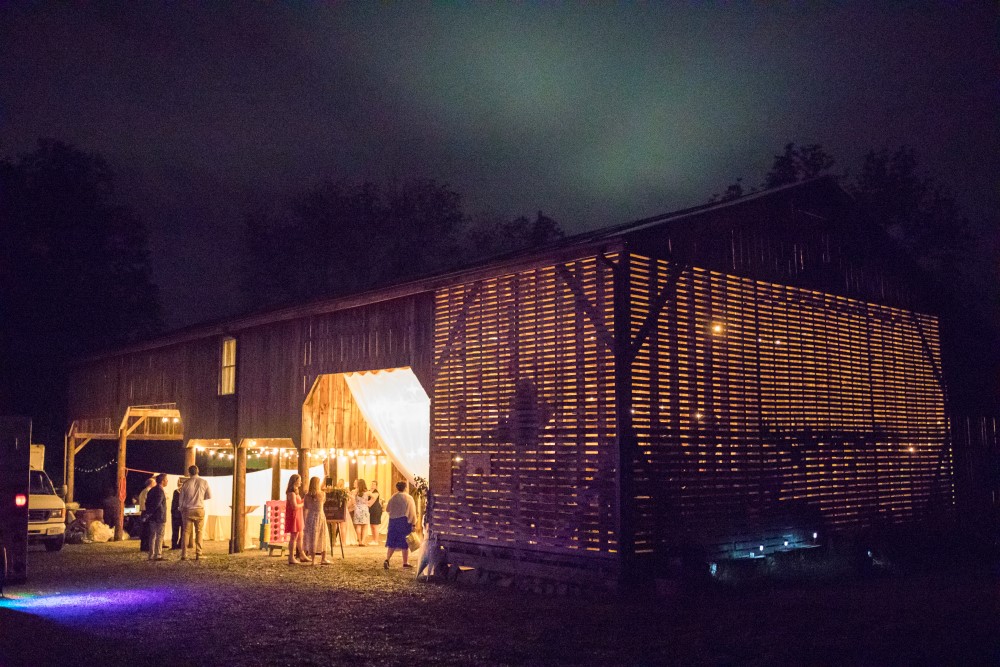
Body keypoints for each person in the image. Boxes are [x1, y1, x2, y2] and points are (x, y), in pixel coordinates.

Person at [178, 464, 212, 561]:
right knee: (199, 531)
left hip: (188, 509)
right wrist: (201, 498)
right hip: (199, 509)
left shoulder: (186, 483)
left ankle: (184, 554)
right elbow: (209, 495)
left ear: (189, 472)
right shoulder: (204, 482)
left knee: (185, 532)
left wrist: (181, 508)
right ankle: (198, 553)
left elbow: (181, 498)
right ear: (198, 471)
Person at [384, 481, 417, 570]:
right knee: (404, 542)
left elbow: (387, 509)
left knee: (392, 541)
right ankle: (405, 562)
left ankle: (387, 559)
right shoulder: (408, 498)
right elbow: (412, 511)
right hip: (403, 521)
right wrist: (413, 523)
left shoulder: (393, 497)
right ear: (405, 488)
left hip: (393, 521)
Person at [302, 476, 330, 565]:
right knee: (322, 536)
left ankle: (313, 560)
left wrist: (305, 520)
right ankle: (323, 558)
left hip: (310, 517)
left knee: (312, 538)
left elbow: (305, 507)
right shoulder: (322, 494)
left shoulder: (306, 495)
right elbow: (323, 502)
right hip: (320, 517)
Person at [145, 474, 168, 561]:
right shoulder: (160, 491)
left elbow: (147, 502)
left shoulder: (152, 490)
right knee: (159, 535)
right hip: (159, 517)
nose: (167, 481)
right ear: (162, 481)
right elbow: (157, 504)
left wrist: (149, 513)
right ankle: (158, 554)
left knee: (152, 535)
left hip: (152, 517)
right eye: (166, 480)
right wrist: (152, 512)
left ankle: (151, 554)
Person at [285, 474, 306, 564]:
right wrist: (303, 504)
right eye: (299, 480)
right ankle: (291, 557)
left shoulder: (295, 493)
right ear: (295, 481)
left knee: (300, 536)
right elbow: (294, 506)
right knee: (293, 537)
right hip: (294, 516)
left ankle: (302, 555)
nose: (301, 482)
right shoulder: (291, 493)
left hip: (298, 515)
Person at [351, 479, 371, 546]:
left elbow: (353, 500)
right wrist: (368, 503)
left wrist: (355, 505)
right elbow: (374, 497)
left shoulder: (355, 491)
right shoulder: (367, 492)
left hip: (357, 508)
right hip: (365, 508)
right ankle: (363, 541)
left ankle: (359, 541)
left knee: (358, 525)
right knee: (365, 525)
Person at [138, 477, 155, 552]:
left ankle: (143, 546)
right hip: (146, 512)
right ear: (151, 483)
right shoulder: (148, 491)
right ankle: (146, 546)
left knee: (144, 530)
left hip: (143, 511)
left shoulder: (143, 491)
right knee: (147, 530)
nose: (155, 484)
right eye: (154, 483)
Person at [170, 477, 186, 549]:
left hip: (176, 514)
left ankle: (174, 545)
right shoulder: (185, 492)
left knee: (175, 530)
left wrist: (173, 512)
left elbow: (174, 503)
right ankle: (180, 545)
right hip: (182, 513)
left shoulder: (176, 492)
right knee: (183, 530)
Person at [367, 480, 383, 546]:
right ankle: (373, 540)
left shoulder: (376, 493)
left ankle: (376, 541)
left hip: (376, 509)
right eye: (371, 484)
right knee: (372, 525)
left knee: (375, 525)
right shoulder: (369, 491)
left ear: (376, 486)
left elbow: (371, 502)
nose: (372, 485)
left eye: (374, 484)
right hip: (371, 510)